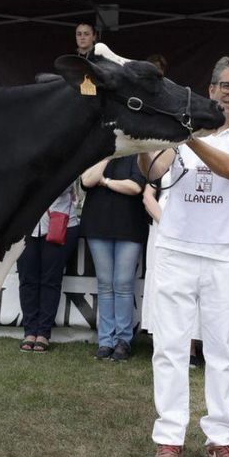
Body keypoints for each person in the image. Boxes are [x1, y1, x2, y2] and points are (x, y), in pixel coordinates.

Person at [139, 56, 229, 457]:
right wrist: (152, 141)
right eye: (227, 86)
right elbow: (155, 170)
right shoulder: (184, 129)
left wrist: (185, 133)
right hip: (175, 249)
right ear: (211, 88)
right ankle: (169, 439)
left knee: (221, 352)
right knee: (170, 348)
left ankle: (219, 439)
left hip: (225, 254)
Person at [80, 155, 149, 362]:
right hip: (97, 225)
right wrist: (107, 157)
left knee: (123, 284)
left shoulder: (137, 153)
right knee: (104, 285)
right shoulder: (98, 153)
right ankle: (105, 341)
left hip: (129, 226)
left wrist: (106, 182)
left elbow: (135, 186)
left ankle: (123, 340)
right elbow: (87, 181)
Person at [17, 181, 81, 353]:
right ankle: (30, 332)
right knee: (27, 278)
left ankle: (43, 333)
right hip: (26, 224)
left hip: (60, 223)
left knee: (50, 280)